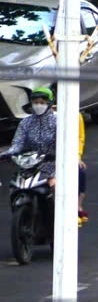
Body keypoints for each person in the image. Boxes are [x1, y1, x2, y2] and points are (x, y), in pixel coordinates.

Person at [0, 87, 84, 224]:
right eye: (35, 101)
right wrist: (7, 154)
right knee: (14, 186)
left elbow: (66, 144)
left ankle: (63, 222)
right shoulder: (25, 123)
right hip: (30, 165)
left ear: (50, 103)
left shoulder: (58, 121)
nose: (38, 105)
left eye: (42, 102)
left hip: (53, 164)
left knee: (56, 187)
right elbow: (18, 143)